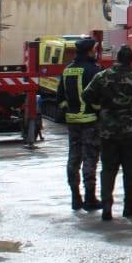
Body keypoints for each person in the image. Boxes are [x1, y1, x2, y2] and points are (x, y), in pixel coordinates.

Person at [82, 45, 132, 221]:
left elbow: (86, 95)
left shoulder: (102, 76)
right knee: (131, 170)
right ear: (131, 59)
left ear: (117, 58)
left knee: (108, 169)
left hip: (108, 131)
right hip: (131, 132)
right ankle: (130, 206)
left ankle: (107, 206)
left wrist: (102, 106)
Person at [57, 37, 102, 211]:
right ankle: (90, 197)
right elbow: (98, 98)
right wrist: (99, 111)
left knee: (73, 159)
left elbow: (60, 98)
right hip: (90, 121)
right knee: (90, 159)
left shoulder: (67, 70)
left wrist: (70, 111)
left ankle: (75, 197)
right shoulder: (94, 71)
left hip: (72, 122)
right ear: (90, 51)